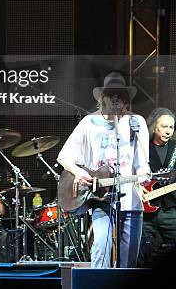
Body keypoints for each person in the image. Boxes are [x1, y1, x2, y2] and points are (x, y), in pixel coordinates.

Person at [57, 71, 150, 268]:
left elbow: (142, 163)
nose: (116, 98)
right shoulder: (89, 123)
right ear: (103, 97)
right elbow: (64, 157)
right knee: (100, 246)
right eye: (111, 94)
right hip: (101, 198)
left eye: (121, 95)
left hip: (131, 201)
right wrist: (80, 173)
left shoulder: (137, 122)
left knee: (129, 258)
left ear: (126, 100)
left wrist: (144, 175)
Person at [141, 108, 176, 260]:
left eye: (171, 127)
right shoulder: (142, 147)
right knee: (144, 252)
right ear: (154, 127)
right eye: (164, 126)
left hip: (171, 209)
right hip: (146, 210)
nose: (168, 131)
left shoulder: (175, 148)